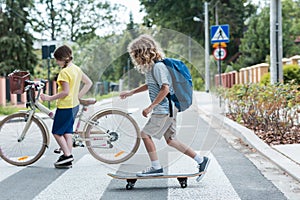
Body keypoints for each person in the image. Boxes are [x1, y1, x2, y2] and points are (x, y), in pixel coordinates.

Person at [120, 34, 210, 179]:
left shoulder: (158, 67)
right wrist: (131, 92)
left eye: (135, 54)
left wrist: (151, 107)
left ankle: (156, 167)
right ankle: (201, 160)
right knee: (171, 140)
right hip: (169, 108)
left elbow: (165, 88)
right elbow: (150, 85)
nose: (134, 58)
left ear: (142, 53)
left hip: (164, 109)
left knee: (145, 134)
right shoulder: (152, 68)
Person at [41, 45, 93, 168]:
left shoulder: (64, 73)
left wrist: (49, 98)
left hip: (65, 106)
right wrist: (78, 96)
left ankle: (68, 155)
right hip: (74, 105)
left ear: (62, 59)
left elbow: (65, 92)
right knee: (67, 132)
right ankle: (67, 158)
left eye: (57, 59)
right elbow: (88, 83)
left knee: (57, 132)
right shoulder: (76, 69)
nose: (56, 62)